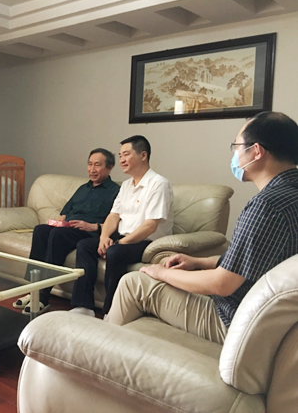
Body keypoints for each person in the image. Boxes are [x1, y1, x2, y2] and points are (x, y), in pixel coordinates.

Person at [107, 112, 298, 345]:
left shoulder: (266, 205)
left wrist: (161, 272)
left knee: (133, 282)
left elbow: (222, 284)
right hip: (269, 318)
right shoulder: (289, 194)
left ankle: (100, 350)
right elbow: (254, 261)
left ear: (256, 151)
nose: (235, 155)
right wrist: (199, 262)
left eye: (236, 147)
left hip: (238, 321)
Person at [71, 135, 173, 317]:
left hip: (148, 242)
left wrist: (121, 243)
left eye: (126, 154)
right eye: (120, 156)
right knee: (85, 245)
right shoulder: (126, 185)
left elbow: (150, 226)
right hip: (123, 237)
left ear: (143, 155)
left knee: (114, 252)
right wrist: (104, 237)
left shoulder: (159, 184)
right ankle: (83, 306)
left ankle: (111, 312)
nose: (121, 160)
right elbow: (114, 215)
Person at [15, 148, 120, 315]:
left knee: (57, 235)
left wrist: (94, 226)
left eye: (97, 165)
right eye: (90, 164)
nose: (92, 169)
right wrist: (59, 223)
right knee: (41, 230)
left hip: (89, 232)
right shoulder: (83, 188)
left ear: (109, 167)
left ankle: (43, 296)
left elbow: (116, 220)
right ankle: (33, 289)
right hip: (68, 228)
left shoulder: (115, 191)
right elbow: (65, 213)